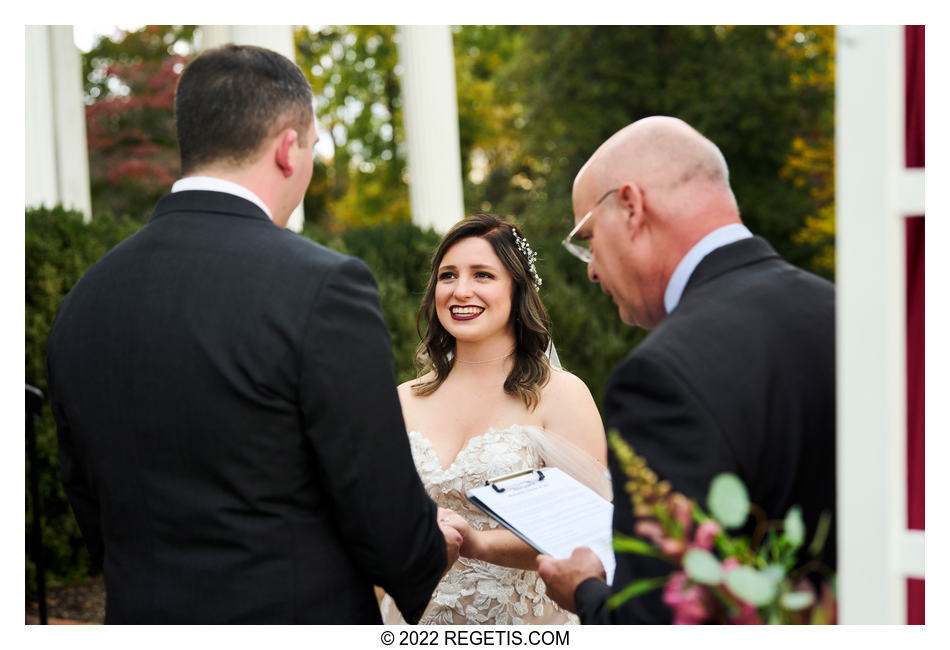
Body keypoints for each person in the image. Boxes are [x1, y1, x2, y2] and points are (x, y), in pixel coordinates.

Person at [46, 44, 461, 624]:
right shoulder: (324, 287)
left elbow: (88, 500)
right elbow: (377, 505)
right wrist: (429, 550)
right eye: (313, 147)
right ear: (288, 149)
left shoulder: (84, 300)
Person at [536, 116, 836, 623]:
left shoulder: (660, 376)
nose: (589, 267)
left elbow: (658, 623)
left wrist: (586, 592)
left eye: (587, 237)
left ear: (631, 207)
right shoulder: (843, 312)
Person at [379, 214, 611, 625]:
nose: (460, 290)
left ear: (516, 290)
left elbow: (588, 534)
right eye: (447, 275)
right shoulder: (401, 400)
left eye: (482, 275)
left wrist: (478, 544)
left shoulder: (560, 395)